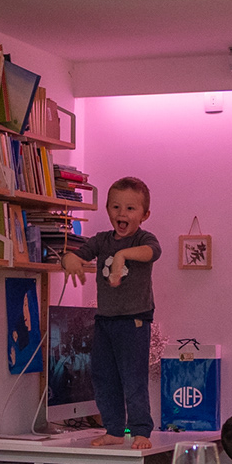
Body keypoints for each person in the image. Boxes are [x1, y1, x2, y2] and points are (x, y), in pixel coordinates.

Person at [61, 176, 161, 449]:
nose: (122, 214)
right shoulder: (102, 240)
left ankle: (141, 430)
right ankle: (114, 429)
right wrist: (70, 259)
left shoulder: (143, 239)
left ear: (144, 215)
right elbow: (76, 255)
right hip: (105, 320)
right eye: (116, 207)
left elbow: (153, 251)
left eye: (130, 208)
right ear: (107, 209)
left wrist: (122, 256)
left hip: (134, 320)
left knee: (133, 378)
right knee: (104, 376)